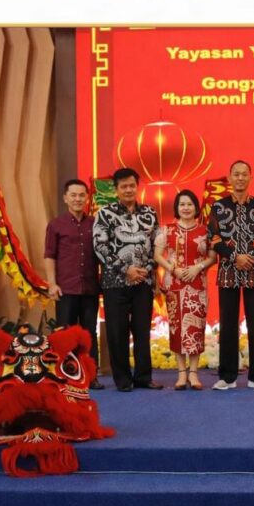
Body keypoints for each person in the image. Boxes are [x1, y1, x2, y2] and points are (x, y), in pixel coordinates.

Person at [207, 160, 254, 391]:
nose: (240, 178)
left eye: (244, 174)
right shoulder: (218, 207)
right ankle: (227, 376)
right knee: (228, 325)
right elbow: (213, 238)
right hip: (228, 272)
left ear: (250, 178)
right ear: (229, 178)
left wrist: (251, 257)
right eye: (236, 174)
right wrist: (235, 257)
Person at [92, 167, 163, 392]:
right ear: (116, 189)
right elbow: (100, 246)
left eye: (132, 185)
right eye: (124, 186)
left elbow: (157, 245)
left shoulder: (149, 213)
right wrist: (125, 269)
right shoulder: (105, 214)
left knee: (142, 331)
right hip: (115, 282)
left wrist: (147, 269)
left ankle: (143, 377)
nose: (128, 190)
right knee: (117, 332)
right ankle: (122, 380)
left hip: (143, 282)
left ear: (137, 186)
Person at [44, 178, 103, 390]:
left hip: (90, 288)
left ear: (87, 198)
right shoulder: (56, 225)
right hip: (65, 288)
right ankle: (64, 376)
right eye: (73, 195)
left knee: (89, 334)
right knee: (64, 335)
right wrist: (52, 284)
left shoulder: (95, 224)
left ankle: (91, 375)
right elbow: (49, 255)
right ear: (65, 198)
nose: (78, 199)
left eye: (81, 195)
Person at [154, 190, 216, 390]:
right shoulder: (166, 230)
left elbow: (212, 257)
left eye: (190, 204)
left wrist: (197, 267)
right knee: (177, 328)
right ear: (177, 208)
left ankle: (194, 374)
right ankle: (181, 373)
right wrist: (173, 269)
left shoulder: (206, 231)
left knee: (196, 328)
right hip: (174, 284)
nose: (186, 208)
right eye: (182, 204)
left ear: (196, 208)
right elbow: (157, 255)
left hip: (198, 285)